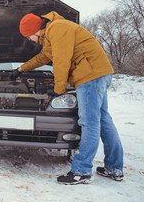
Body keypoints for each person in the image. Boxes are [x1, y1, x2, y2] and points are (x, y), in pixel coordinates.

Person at [12, 11, 124, 185]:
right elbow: (44, 57)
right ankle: (114, 167)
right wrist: (21, 69)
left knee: (90, 122)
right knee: (103, 119)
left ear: (34, 32)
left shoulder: (57, 28)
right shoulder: (53, 31)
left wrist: (58, 89)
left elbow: (61, 60)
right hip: (98, 73)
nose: (30, 41)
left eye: (28, 38)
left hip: (89, 75)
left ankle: (81, 171)